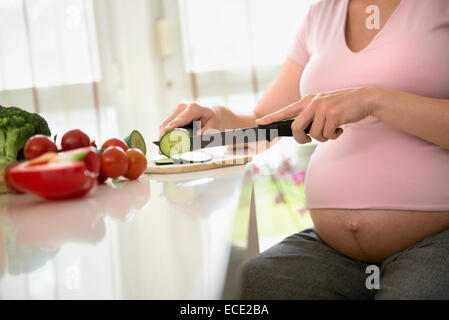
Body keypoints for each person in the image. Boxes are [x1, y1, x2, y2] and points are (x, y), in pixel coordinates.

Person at [159, 0, 449, 299]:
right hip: (333, 248)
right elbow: (265, 125)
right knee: (256, 282)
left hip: (436, 239)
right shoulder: (322, 13)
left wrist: (371, 100)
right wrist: (219, 118)